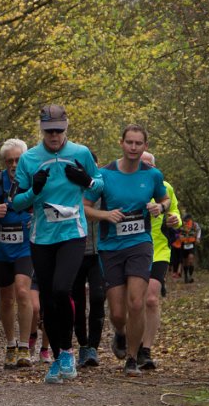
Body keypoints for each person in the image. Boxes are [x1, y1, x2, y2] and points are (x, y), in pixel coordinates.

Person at [11, 105, 102, 384]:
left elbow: (100, 186)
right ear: (41, 129)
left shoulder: (80, 153)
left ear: (66, 128)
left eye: (59, 131)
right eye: (49, 131)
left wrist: (87, 180)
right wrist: (34, 190)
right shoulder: (29, 158)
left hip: (73, 233)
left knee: (62, 289)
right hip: (42, 236)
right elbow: (16, 202)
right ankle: (57, 355)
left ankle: (68, 351)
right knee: (48, 299)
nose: (54, 136)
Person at [83, 125, 169, 377]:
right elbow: (84, 207)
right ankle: (120, 333)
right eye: (129, 142)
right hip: (111, 247)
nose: (133, 147)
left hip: (140, 244)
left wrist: (160, 208)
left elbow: (164, 199)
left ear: (145, 146)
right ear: (121, 143)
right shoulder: (103, 175)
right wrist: (105, 215)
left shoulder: (152, 175)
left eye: (138, 143)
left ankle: (132, 358)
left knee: (137, 302)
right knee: (118, 313)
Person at [0, 138, 34, 369]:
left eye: (18, 160)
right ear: (4, 162)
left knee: (22, 291)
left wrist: (36, 216)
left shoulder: (33, 181)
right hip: (1, 248)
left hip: (25, 247)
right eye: (9, 161)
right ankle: (11, 345)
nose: (14, 165)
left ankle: (25, 347)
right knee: (6, 298)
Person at [139, 151, 182, 370]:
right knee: (133, 301)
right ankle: (128, 339)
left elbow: (174, 212)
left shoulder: (165, 188)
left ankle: (145, 350)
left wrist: (175, 219)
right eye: (141, 164)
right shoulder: (126, 187)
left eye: (149, 165)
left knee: (151, 299)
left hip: (159, 250)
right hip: (133, 250)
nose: (145, 169)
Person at [71, 154, 107, 369]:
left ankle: (93, 347)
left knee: (98, 297)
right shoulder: (70, 187)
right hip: (76, 251)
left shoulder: (104, 187)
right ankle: (83, 345)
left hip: (99, 252)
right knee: (78, 301)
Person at [180, 214, 202, 283]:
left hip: (192, 243)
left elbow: (199, 230)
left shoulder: (194, 224)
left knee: (191, 259)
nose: (185, 221)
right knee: (185, 261)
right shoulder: (181, 225)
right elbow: (176, 232)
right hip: (183, 244)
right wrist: (178, 236)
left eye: (186, 219)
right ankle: (186, 276)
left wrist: (198, 238)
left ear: (189, 219)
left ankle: (190, 276)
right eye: (184, 219)